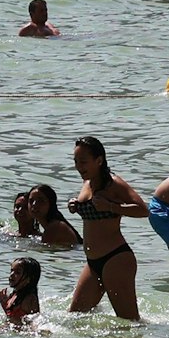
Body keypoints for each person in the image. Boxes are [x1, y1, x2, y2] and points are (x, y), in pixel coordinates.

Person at [67, 136, 151, 320]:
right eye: (75, 161)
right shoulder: (87, 183)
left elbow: (144, 210)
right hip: (92, 263)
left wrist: (112, 207)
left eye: (83, 162)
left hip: (116, 259)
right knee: (73, 319)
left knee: (129, 322)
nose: (79, 167)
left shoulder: (114, 183)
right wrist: (76, 205)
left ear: (99, 160)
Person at [15, 184, 82, 248]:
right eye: (31, 201)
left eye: (40, 201)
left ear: (50, 204)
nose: (34, 204)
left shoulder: (55, 228)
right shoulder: (52, 226)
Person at [0, 256, 43, 326]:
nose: (11, 275)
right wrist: (5, 304)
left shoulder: (29, 298)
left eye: (17, 272)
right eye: (11, 271)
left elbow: (27, 325)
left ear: (28, 279)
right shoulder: (15, 294)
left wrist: (5, 306)